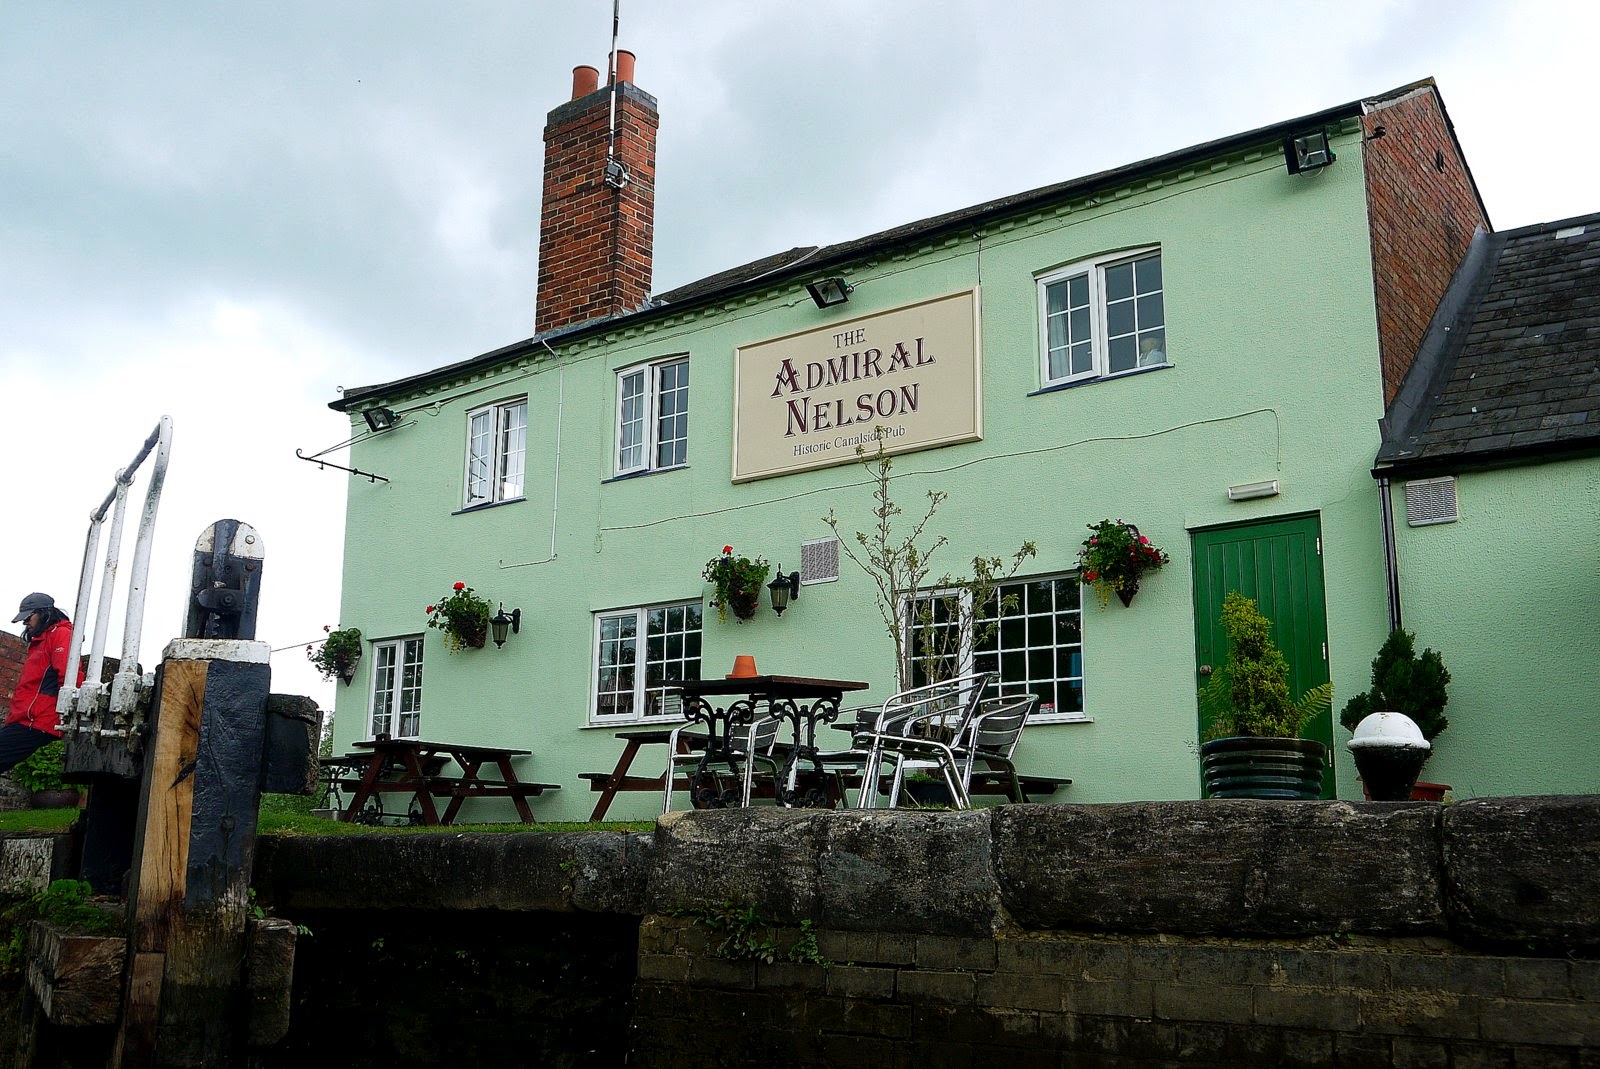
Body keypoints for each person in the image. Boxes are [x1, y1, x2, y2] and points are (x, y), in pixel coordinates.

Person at [3, 592, 73, 773]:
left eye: (28, 617)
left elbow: (68, 675)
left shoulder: (61, 634)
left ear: (44, 613)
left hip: (39, 719)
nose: (25, 623)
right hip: (25, 718)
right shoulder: (41, 641)